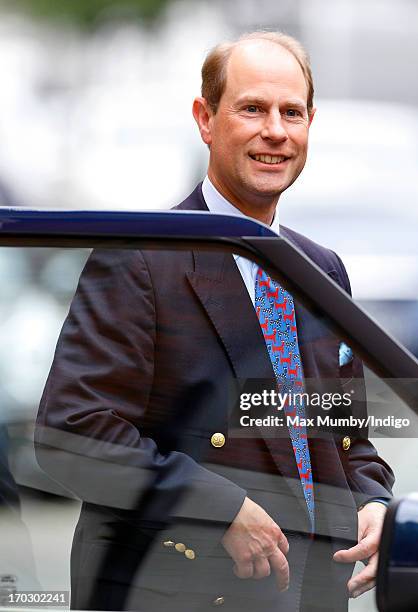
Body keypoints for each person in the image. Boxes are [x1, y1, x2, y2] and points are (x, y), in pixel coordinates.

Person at [35, 31, 394, 611]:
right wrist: (214, 506)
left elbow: (343, 437)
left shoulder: (322, 269)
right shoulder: (141, 258)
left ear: (310, 124)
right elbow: (73, 433)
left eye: (291, 112)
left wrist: (374, 501)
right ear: (206, 118)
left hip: (310, 595)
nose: (275, 131)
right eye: (252, 108)